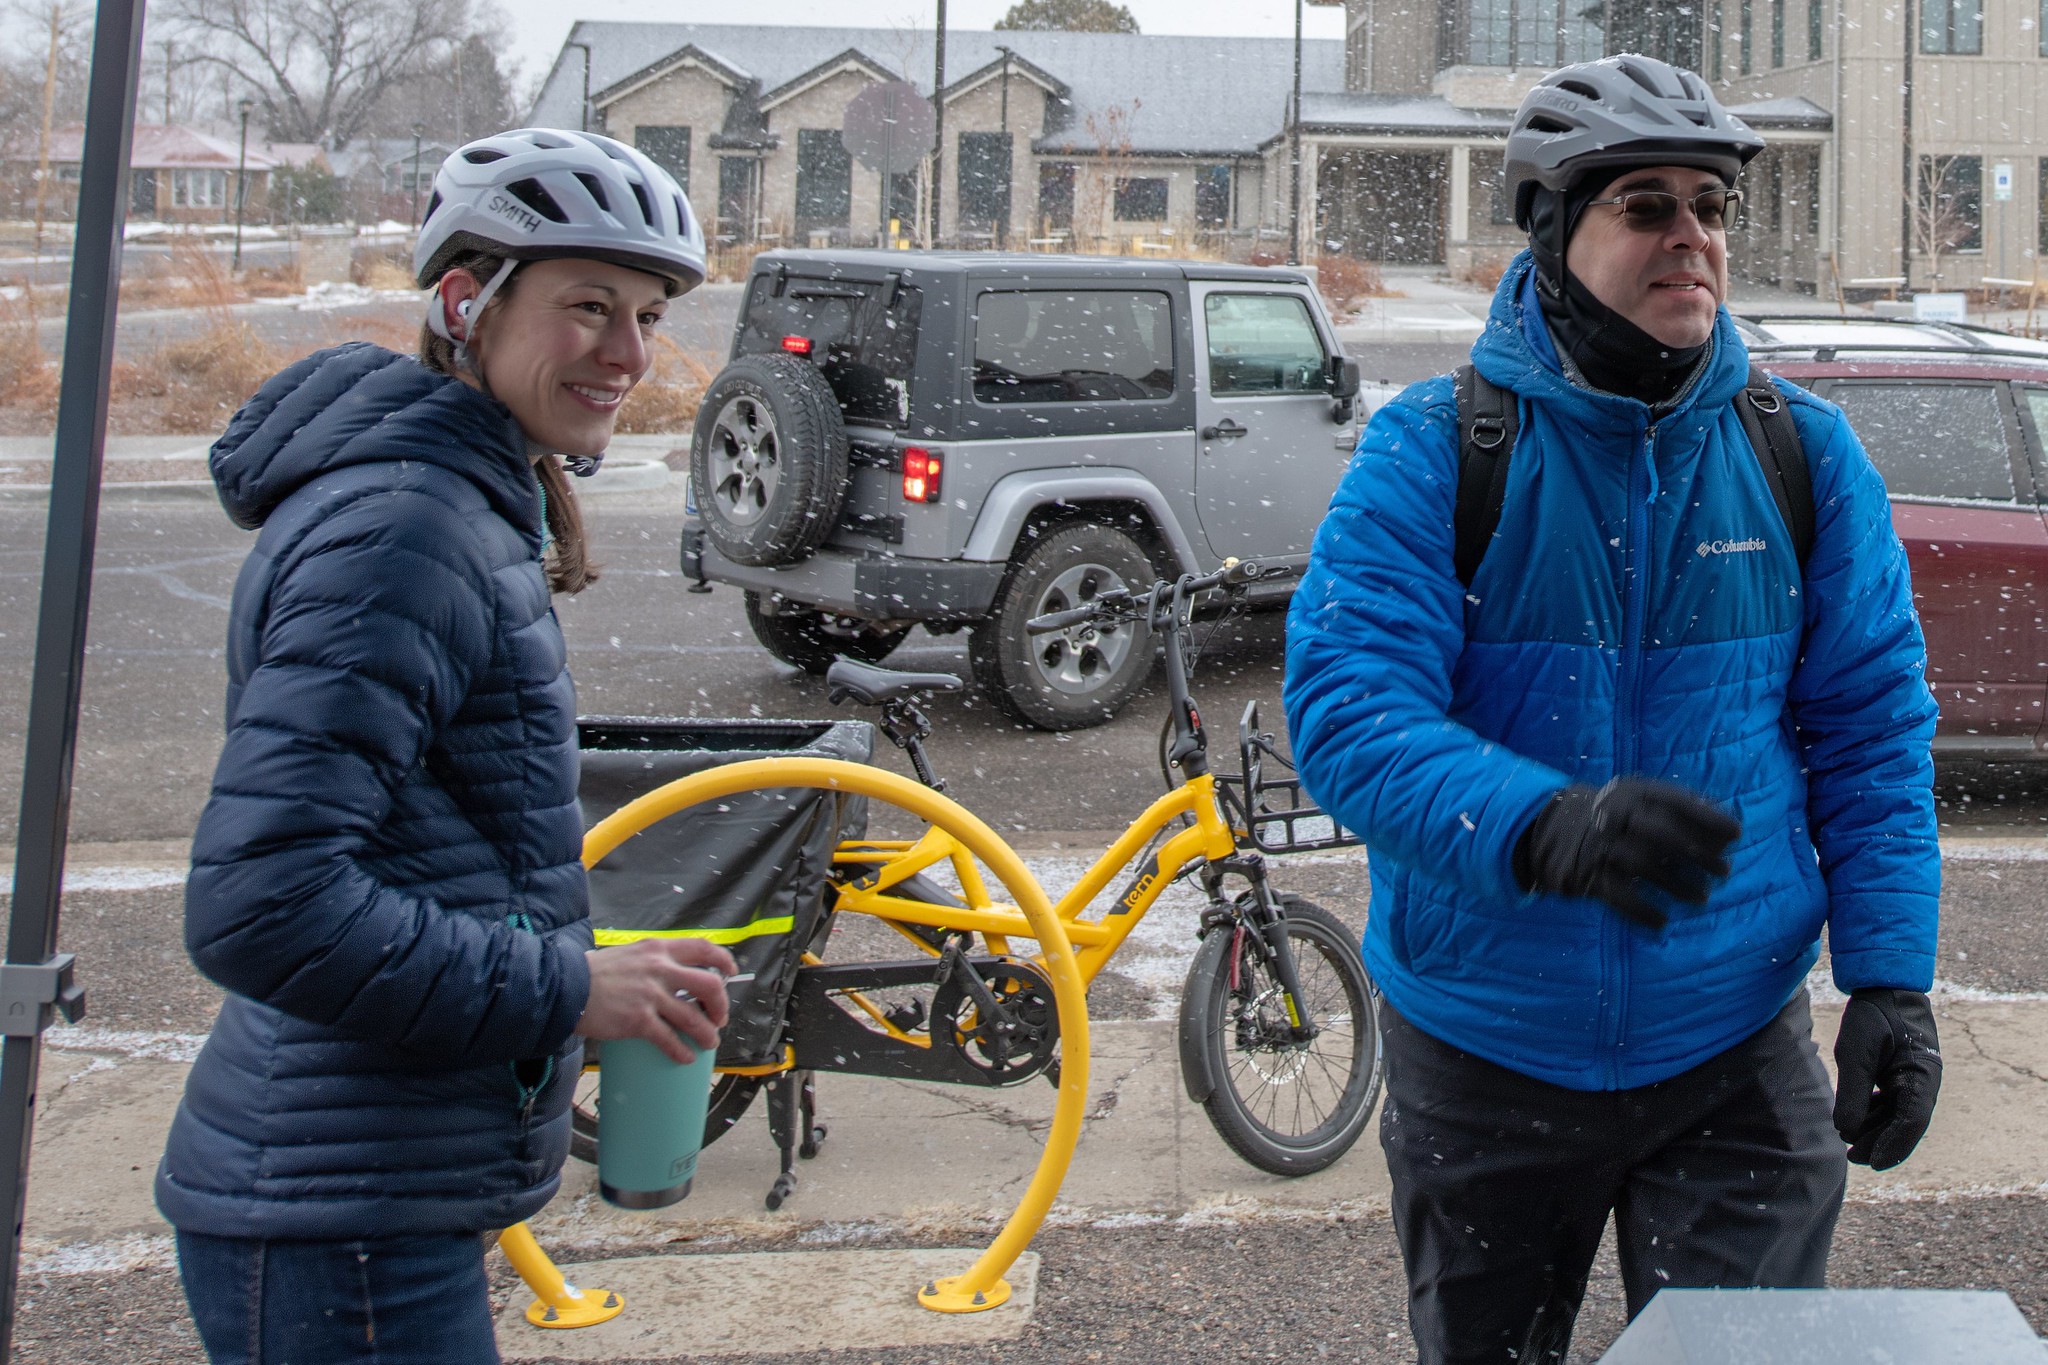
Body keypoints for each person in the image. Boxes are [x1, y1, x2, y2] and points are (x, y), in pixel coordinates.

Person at [1284, 56, 1943, 1364]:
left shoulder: (1802, 456)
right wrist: (1536, 824)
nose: (1691, 233)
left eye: (1710, 205)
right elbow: (1349, 709)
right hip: (1484, 1049)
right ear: (1552, 233)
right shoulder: (1436, 452)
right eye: (1647, 205)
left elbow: (1871, 734)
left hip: (1733, 1053)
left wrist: (1890, 979)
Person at [155, 128, 735, 1364]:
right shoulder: (405, 533)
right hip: (340, 1212)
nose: (627, 354)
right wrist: (573, 988)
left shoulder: (454, 506)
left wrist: (565, 961)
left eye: (643, 315)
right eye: (587, 307)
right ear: (467, 303)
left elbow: (411, 846)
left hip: (365, 1190)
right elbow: (261, 904)